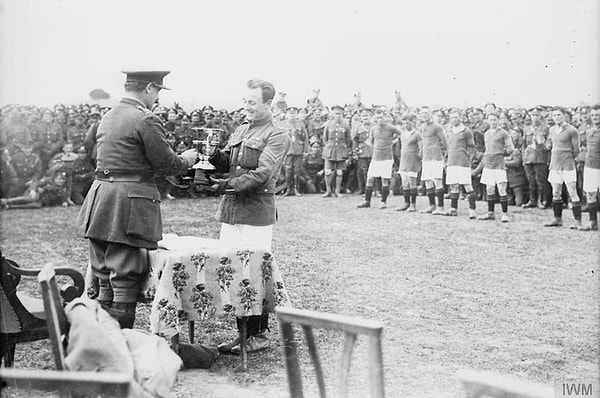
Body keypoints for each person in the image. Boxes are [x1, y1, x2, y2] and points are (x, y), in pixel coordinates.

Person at [76, 69, 198, 329]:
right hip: (128, 203)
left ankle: (104, 344)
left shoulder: (108, 116)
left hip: (101, 197)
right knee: (125, 276)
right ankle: (121, 348)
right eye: (157, 92)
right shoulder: (146, 119)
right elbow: (167, 163)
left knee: (104, 274)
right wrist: (188, 158)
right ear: (148, 88)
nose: (157, 99)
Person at [207, 79, 290, 354]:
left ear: (268, 104)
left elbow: (262, 174)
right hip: (232, 210)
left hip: (255, 212)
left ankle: (260, 334)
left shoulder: (277, 135)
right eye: (245, 102)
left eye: (252, 103)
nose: (247, 107)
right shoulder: (241, 128)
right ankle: (242, 334)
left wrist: (222, 185)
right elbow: (231, 165)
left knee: (255, 272)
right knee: (232, 271)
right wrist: (210, 156)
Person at [542, 107, 581, 228]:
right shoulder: (552, 130)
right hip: (555, 165)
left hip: (568, 165)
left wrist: (568, 158)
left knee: (572, 191)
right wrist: (542, 142)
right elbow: (549, 145)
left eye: (559, 115)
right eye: (554, 115)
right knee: (556, 192)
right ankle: (557, 219)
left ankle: (577, 221)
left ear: (564, 116)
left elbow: (576, 150)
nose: (557, 117)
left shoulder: (572, 130)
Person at [473, 112, 515, 222]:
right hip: (488, 164)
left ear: (498, 121)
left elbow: (511, 148)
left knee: (501, 189)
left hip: (499, 164)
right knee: (489, 189)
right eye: (491, 120)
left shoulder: (504, 133)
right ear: (488, 120)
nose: (493, 122)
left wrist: (501, 154)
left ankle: (504, 214)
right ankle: (490, 213)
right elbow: (486, 150)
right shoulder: (486, 134)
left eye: (495, 120)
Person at [357, 111, 400, 209]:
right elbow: (371, 141)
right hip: (376, 157)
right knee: (370, 178)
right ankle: (367, 201)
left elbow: (401, 135)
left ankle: (383, 202)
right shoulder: (373, 129)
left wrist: (393, 142)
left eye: (381, 117)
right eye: (377, 118)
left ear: (385, 118)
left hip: (387, 157)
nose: (379, 120)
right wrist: (376, 148)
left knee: (384, 180)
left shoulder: (391, 128)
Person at [443, 109, 478, 218]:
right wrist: (446, 160)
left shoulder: (466, 131)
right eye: (452, 117)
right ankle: (453, 209)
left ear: (461, 118)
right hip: (451, 162)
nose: (454, 119)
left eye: (456, 117)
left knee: (468, 186)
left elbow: (472, 148)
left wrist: (470, 161)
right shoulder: (448, 131)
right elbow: (447, 147)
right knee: (453, 186)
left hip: (463, 162)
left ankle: (472, 210)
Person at [417, 106, 448, 214]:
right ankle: (432, 206)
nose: (424, 115)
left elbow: (444, 142)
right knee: (428, 182)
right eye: (422, 113)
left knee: (437, 181)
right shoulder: (422, 126)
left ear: (430, 114)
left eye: (426, 113)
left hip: (436, 158)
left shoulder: (437, 127)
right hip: (426, 158)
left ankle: (440, 207)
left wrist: (442, 154)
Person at [521, 106, 550, 209]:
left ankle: (541, 200)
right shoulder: (527, 128)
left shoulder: (546, 128)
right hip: (529, 158)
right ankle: (532, 200)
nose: (535, 117)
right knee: (531, 180)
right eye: (533, 115)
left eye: (537, 115)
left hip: (540, 157)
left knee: (540, 180)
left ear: (541, 115)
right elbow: (524, 144)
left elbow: (548, 144)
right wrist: (524, 157)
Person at [321, 105, 352, 197]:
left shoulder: (346, 125)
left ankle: (337, 191)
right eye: (336, 113)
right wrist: (329, 146)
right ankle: (328, 191)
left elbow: (348, 139)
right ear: (333, 114)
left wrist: (344, 148)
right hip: (330, 150)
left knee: (339, 171)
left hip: (341, 150)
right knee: (327, 171)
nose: (338, 115)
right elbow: (325, 139)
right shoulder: (328, 125)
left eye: (339, 114)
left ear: (342, 114)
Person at [578, 104, 600, 231]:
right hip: (590, 166)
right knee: (591, 194)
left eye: (597, 115)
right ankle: (593, 222)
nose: (595, 117)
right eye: (593, 115)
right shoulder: (589, 131)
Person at [395, 114, 423, 212]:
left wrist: (419, 158)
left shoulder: (417, 134)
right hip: (404, 160)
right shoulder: (402, 134)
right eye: (404, 123)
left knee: (412, 182)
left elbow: (421, 148)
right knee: (404, 182)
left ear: (412, 122)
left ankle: (413, 204)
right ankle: (406, 203)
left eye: (408, 122)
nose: (406, 125)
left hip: (412, 160)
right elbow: (400, 146)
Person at [281, 106, 309, 196]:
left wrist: (305, 150)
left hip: (298, 150)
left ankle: (297, 189)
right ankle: (289, 189)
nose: (292, 115)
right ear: (287, 114)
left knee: (297, 171)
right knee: (288, 171)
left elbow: (305, 138)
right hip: (287, 150)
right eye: (290, 113)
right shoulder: (282, 125)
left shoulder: (300, 124)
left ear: (296, 114)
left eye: (294, 113)